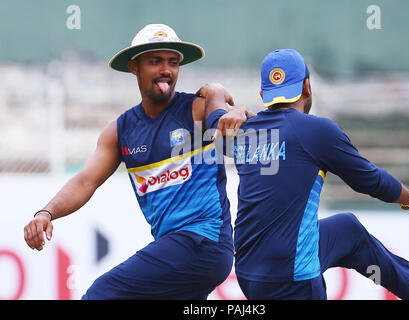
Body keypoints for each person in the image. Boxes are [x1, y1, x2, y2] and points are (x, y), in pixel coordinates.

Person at [201, 49, 409, 300]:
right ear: (307, 88)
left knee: (348, 230)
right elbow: (370, 180)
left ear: (263, 95)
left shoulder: (240, 131)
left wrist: (216, 90)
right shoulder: (317, 132)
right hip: (291, 279)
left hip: (248, 272)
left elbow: (213, 115)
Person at [23, 24, 247, 300]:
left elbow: (236, 134)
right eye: (155, 61)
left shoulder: (196, 110)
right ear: (134, 67)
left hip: (203, 242)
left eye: (173, 62)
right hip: (181, 250)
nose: (166, 70)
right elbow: (85, 181)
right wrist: (45, 213)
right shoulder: (120, 130)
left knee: (101, 295)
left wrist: (232, 107)